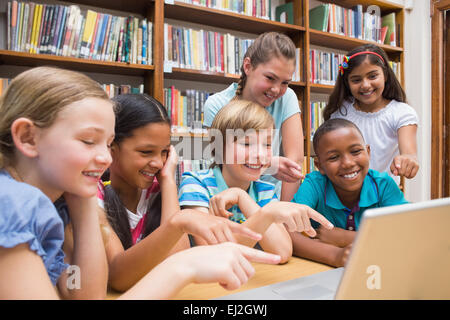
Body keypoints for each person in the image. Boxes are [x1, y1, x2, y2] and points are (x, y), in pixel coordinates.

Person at [0, 67, 283, 299]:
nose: (103, 156)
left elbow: (83, 294)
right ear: (27, 137)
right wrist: (181, 267)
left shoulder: (62, 204)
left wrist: (83, 198)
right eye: (89, 141)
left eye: (107, 143)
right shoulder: (12, 204)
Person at [98, 94, 264, 292]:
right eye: (145, 152)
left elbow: (178, 258)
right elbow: (119, 278)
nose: (159, 163)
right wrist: (177, 223)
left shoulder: (159, 190)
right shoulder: (95, 196)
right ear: (111, 148)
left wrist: (168, 181)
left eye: (164, 152)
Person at [179, 100, 333, 264]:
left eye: (267, 144)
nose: (259, 154)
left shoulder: (264, 190)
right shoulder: (196, 184)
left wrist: (241, 197)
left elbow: (282, 252)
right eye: (246, 143)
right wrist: (265, 215)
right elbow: (214, 254)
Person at [290, 118, 408, 267]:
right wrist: (335, 256)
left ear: (368, 152)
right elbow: (288, 231)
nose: (348, 163)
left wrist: (345, 238)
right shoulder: (314, 185)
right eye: (333, 157)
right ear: (319, 166)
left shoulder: (383, 185)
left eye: (356, 151)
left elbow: (405, 235)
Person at [203, 32, 304, 202]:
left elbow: (294, 164)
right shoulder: (216, 104)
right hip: (228, 198)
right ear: (248, 66)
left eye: (285, 82)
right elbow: (221, 160)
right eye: (270, 78)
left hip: (273, 199)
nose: (276, 89)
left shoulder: (287, 98)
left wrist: (285, 214)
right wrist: (269, 165)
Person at [323, 44, 419, 183]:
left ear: (385, 75)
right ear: (347, 83)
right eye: (356, 80)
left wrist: (408, 160)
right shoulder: (340, 112)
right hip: (344, 193)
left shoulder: (401, 113)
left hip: (382, 195)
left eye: (372, 76)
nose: (365, 85)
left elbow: (409, 153)